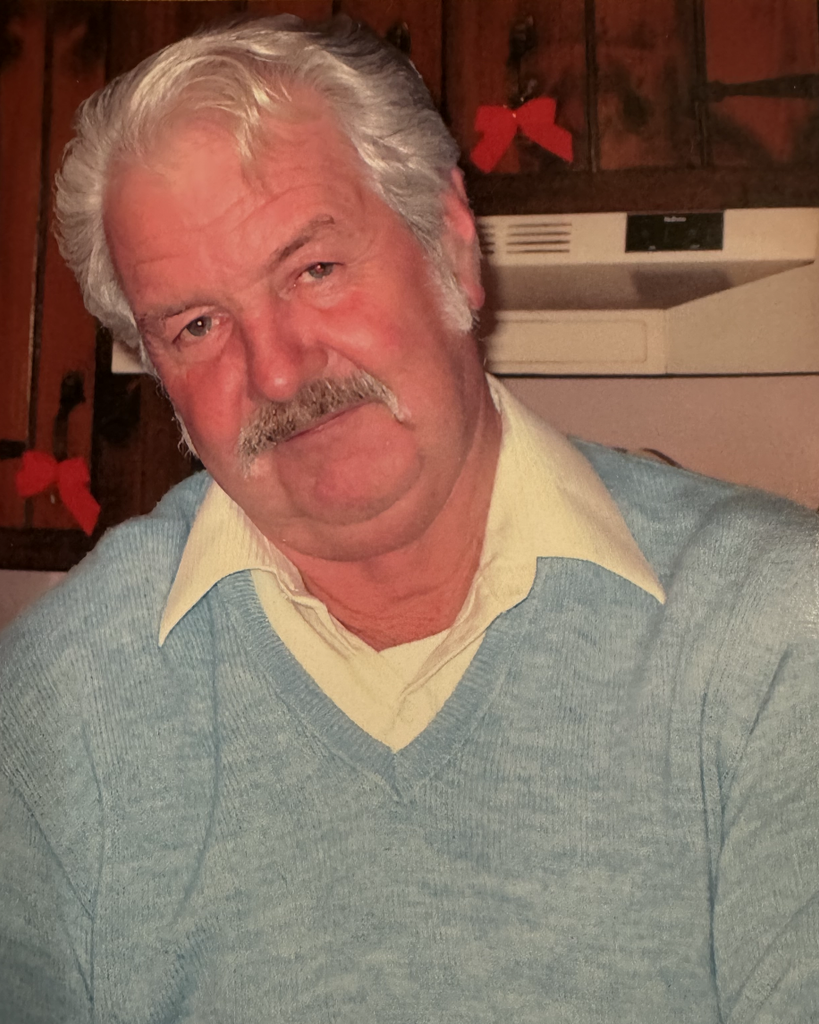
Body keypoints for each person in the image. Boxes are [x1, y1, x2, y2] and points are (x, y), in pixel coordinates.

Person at [1, 15, 817, 1023]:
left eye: (314, 270)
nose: (279, 371)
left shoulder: (775, 636)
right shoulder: (55, 703)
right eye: (198, 325)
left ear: (453, 248)